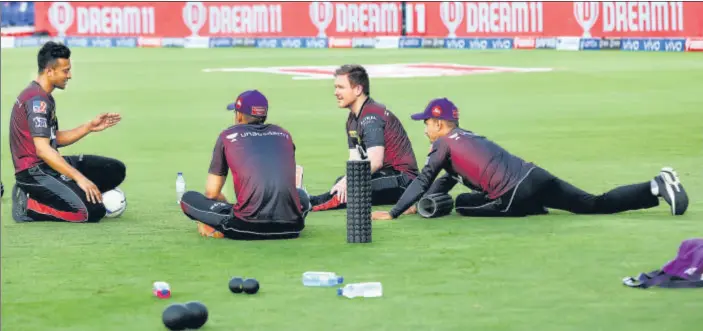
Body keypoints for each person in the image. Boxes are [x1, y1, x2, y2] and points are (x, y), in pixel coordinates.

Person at [372, 97, 689, 220]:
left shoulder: (442, 145)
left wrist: (395, 212)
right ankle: (656, 187)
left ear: (439, 124)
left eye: (426, 123)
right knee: (594, 203)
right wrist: (417, 203)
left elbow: (427, 178)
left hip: (514, 194)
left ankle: (531, 209)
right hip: (535, 175)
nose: (425, 129)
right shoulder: (467, 137)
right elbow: (446, 179)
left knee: (465, 206)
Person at [10, 41, 126, 223]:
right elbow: (42, 149)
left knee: (114, 170)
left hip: (49, 165)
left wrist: (89, 127)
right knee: (92, 212)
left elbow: (53, 139)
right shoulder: (37, 101)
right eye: (65, 70)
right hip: (34, 173)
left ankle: (71, 193)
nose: (69, 75)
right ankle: (30, 205)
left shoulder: (42, 95)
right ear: (49, 71)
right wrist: (80, 178)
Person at [179, 90, 312, 240]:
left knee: (188, 198)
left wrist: (226, 207)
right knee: (301, 196)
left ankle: (220, 220)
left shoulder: (227, 136)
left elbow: (212, 193)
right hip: (291, 228)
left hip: (246, 228)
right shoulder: (284, 134)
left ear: (239, 115)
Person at [309, 64, 420, 211]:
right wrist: (346, 180)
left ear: (358, 89)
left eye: (341, 87)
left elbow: (375, 161)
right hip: (387, 175)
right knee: (343, 184)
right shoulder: (352, 119)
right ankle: (306, 201)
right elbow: (355, 161)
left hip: (404, 180)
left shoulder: (371, 117)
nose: (335, 92)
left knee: (351, 189)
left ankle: (307, 204)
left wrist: (348, 182)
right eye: (336, 87)